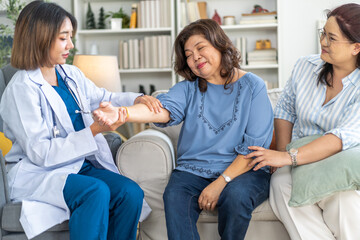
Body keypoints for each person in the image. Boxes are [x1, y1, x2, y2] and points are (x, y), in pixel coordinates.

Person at [93, 19, 274, 240]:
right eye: (188, 54)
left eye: (200, 48)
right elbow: (161, 111)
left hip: (243, 172)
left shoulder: (253, 86)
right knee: (175, 195)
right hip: (193, 171)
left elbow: (254, 148)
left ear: (219, 43)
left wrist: (221, 183)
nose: (194, 57)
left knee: (237, 197)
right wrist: (123, 113)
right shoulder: (188, 89)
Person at [0, 1, 161, 239]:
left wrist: (139, 98)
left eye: (70, 37)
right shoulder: (22, 89)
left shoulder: (70, 74)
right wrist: (94, 130)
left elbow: (105, 97)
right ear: (41, 38)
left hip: (79, 165)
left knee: (130, 193)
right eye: (63, 38)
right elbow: (41, 153)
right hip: (42, 172)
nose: (71, 45)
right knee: (94, 191)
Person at [245, 3, 360, 239]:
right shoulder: (304, 67)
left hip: (338, 161)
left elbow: (341, 137)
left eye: (332, 38)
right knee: (280, 184)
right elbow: (285, 110)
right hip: (297, 158)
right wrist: (282, 155)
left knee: (344, 196)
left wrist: (286, 157)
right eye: (323, 34)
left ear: (356, 47)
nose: (323, 42)